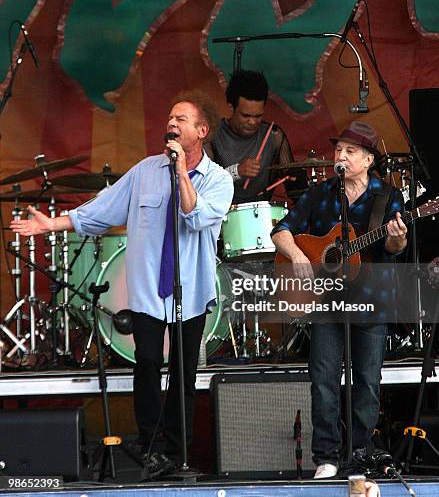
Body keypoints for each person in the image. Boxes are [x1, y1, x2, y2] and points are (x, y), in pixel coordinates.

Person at [10, 91, 234, 478]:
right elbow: (102, 209)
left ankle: (177, 452)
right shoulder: (145, 171)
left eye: (181, 119)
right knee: (146, 362)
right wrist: (54, 223)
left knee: (183, 373)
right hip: (148, 288)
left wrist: (181, 172)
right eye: (169, 117)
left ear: (202, 130)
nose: (171, 123)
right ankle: (149, 447)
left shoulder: (219, 180)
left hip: (191, 292)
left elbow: (194, 216)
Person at [271, 121, 407, 479]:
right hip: (324, 301)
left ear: (368, 159)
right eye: (338, 150)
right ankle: (326, 456)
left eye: (349, 151)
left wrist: (396, 238)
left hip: (371, 298)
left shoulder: (388, 197)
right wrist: (299, 256)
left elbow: (395, 249)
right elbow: (281, 230)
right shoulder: (320, 193)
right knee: (323, 377)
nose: (340, 156)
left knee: (367, 378)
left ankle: (361, 451)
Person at [206, 69, 307, 204]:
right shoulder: (212, 134)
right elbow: (203, 184)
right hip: (220, 217)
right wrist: (237, 171)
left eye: (258, 116)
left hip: (262, 217)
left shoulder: (274, 137)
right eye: (245, 115)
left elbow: (294, 188)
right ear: (231, 107)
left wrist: (299, 177)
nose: (252, 122)